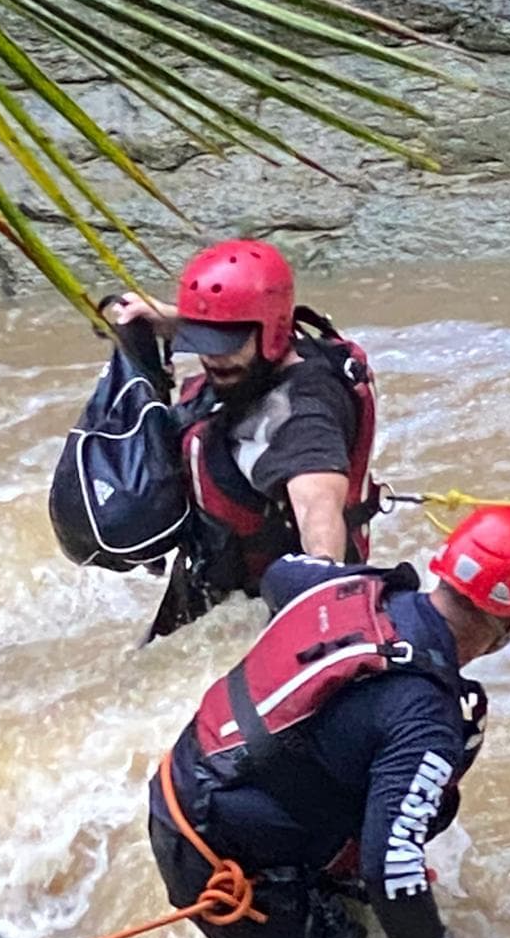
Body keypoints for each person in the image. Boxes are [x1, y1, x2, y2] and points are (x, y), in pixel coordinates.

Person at [147, 505, 510, 938]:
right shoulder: (427, 716)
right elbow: (393, 865)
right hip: (219, 859)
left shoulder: (351, 590)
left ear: (443, 570)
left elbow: (279, 575)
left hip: (182, 785)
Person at [109, 238, 380, 639]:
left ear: (273, 331)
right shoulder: (277, 352)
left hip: (257, 611)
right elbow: (224, 324)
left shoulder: (301, 415)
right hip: (209, 577)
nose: (211, 357)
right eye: (201, 340)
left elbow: (317, 505)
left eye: (225, 345)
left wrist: (321, 604)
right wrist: (164, 318)